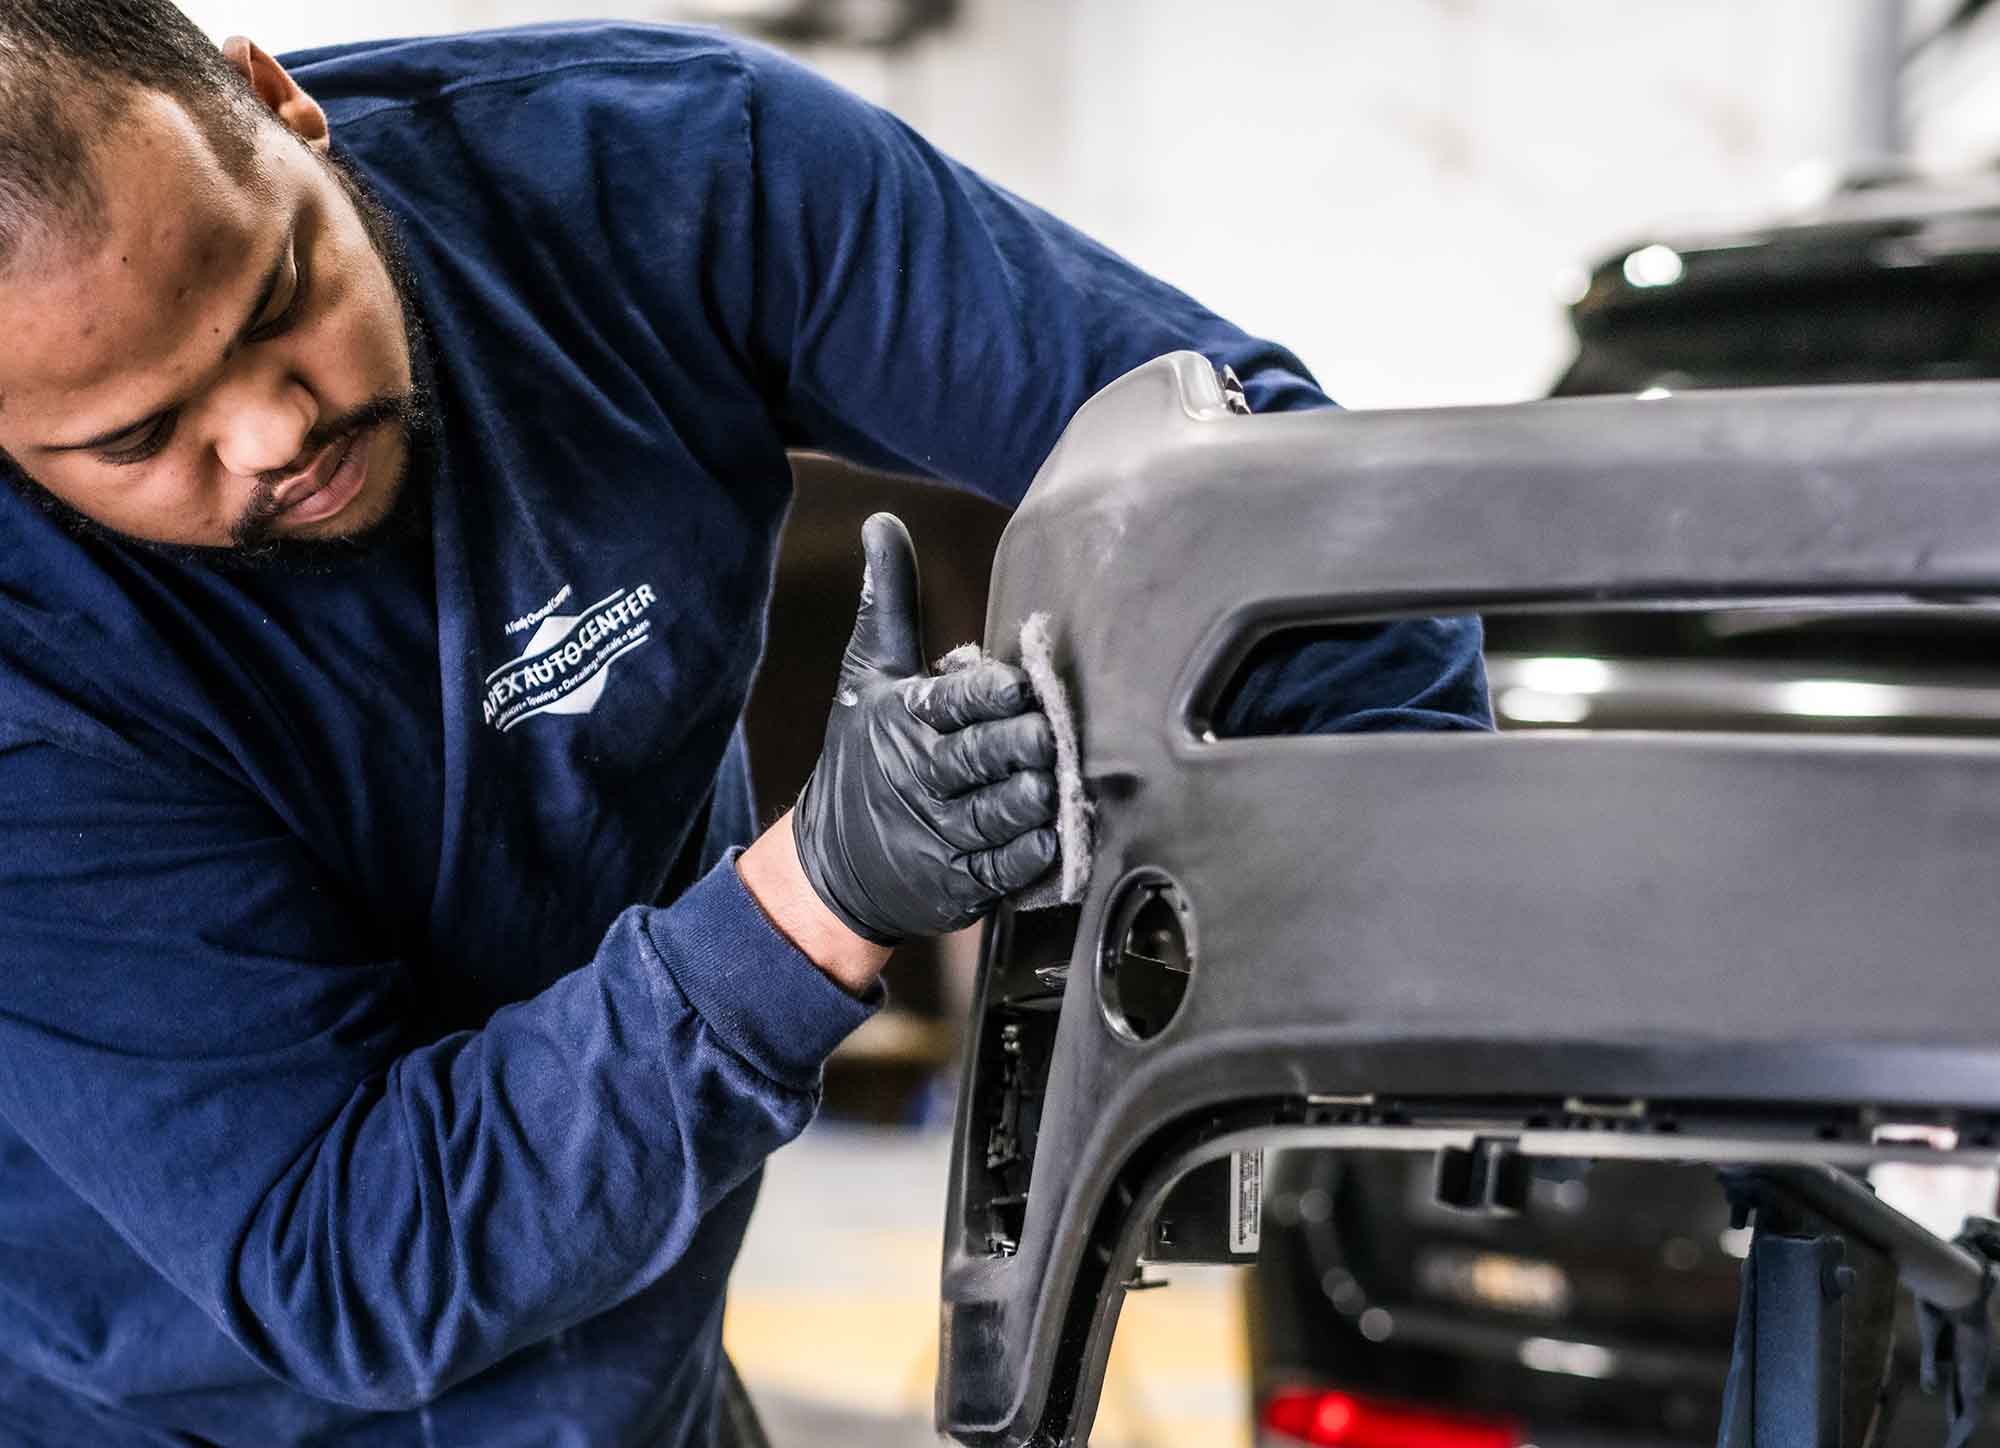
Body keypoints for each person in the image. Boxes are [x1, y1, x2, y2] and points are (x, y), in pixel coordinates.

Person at [0, 4, 1491, 1444]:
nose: (273, 427)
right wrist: (813, 898)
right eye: (140, 435)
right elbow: (355, 1257)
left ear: (276, 108)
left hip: (637, 1371)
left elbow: (1263, 485)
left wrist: (1427, 921)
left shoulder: (658, 173)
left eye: (278, 299)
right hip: (173, 1411)